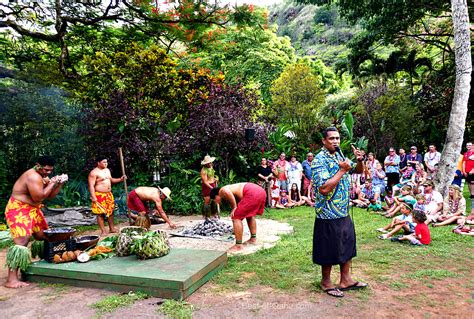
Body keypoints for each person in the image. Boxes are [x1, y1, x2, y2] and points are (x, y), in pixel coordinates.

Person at [311, 127, 367, 298]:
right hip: (327, 213)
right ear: (324, 141)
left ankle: (346, 280)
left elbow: (357, 171)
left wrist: (359, 161)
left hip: (343, 210)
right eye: (331, 139)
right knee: (328, 247)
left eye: (337, 138)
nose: (335, 141)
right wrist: (341, 170)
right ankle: (326, 282)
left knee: (347, 243)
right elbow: (324, 188)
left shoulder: (340, 155)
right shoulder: (319, 160)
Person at [4, 156, 66, 288]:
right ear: (38, 165)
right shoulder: (33, 176)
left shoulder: (42, 175)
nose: (48, 173)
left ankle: (45, 263)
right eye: (46, 170)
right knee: (22, 241)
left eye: (50, 171)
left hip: (33, 209)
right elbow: (39, 197)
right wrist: (51, 183)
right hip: (18, 210)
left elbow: (50, 195)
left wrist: (59, 183)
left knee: (42, 235)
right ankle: (11, 279)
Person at [210, 183, 266, 252]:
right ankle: (253, 238)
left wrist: (234, 207)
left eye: (214, 200)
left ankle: (238, 245)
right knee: (249, 215)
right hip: (260, 191)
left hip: (252, 192)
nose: (216, 202)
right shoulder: (233, 188)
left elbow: (226, 192)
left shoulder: (222, 190)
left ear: (216, 196)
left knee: (235, 217)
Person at [88, 157, 126, 236]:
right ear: (98, 163)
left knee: (111, 212)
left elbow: (111, 180)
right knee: (100, 213)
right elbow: (91, 186)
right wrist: (93, 196)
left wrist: (120, 179)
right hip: (99, 195)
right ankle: (103, 231)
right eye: (104, 162)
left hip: (108, 195)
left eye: (106, 162)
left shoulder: (107, 170)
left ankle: (111, 228)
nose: (106, 163)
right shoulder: (93, 173)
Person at [462, 142, 474, 217]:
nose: (468, 146)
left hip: (472, 171)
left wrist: (473, 170)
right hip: (466, 171)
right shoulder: (466, 154)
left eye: (470, 145)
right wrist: (463, 171)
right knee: (469, 183)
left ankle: (473, 195)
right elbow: (464, 162)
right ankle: (471, 194)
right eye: (467, 145)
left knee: (473, 182)